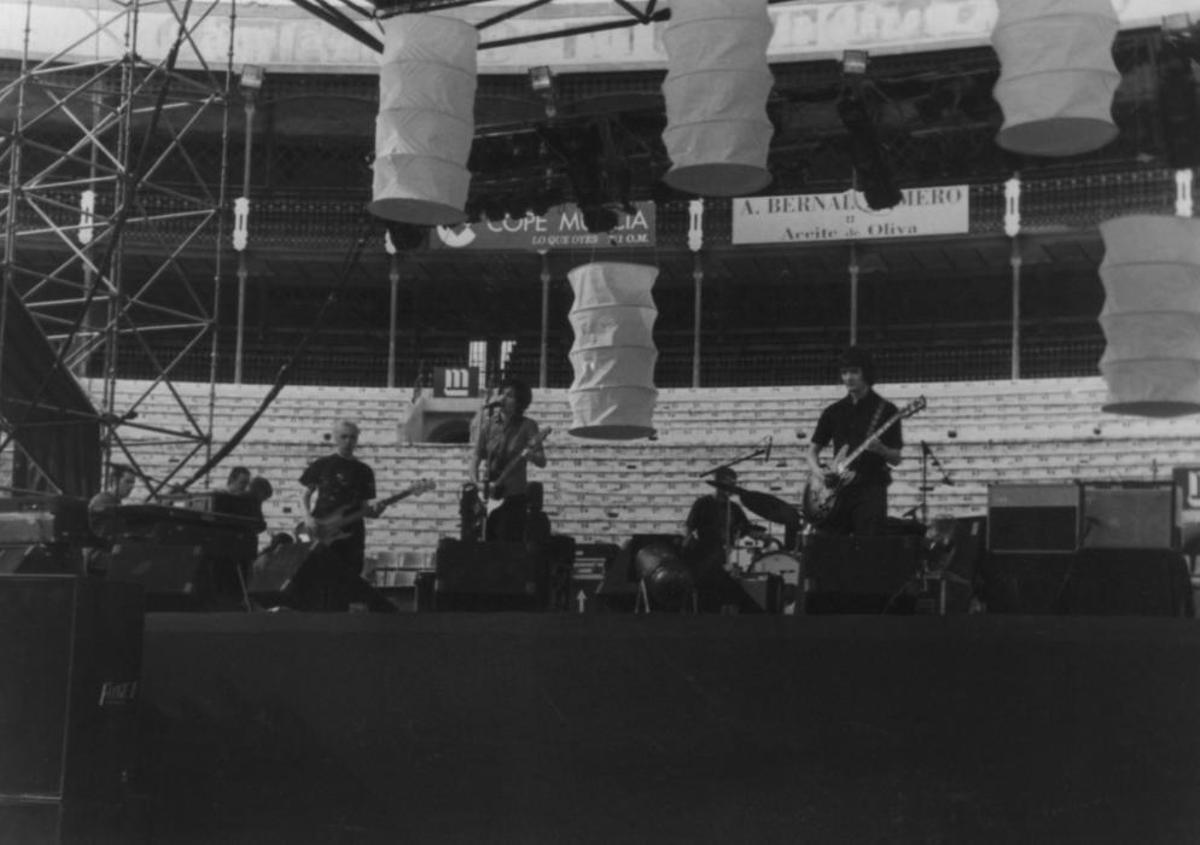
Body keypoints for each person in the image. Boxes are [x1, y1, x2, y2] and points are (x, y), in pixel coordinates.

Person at [806, 346, 904, 535]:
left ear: (865, 373)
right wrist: (818, 473)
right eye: (844, 372)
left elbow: (896, 458)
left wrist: (881, 449)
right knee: (833, 549)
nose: (848, 378)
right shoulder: (833, 411)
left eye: (854, 372)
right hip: (836, 492)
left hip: (870, 489)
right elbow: (811, 452)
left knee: (867, 550)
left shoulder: (887, 410)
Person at [297, 420, 383, 611]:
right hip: (322, 527)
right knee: (320, 576)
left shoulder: (365, 471)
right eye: (344, 436)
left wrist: (376, 512)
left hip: (352, 534)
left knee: (347, 578)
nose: (348, 441)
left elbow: (365, 507)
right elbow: (305, 494)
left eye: (353, 437)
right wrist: (307, 517)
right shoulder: (322, 464)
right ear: (335, 438)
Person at [470, 377, 547, 542]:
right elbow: (476, 456)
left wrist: (530, 455)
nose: (503, 398)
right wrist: (476, 482)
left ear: (520, 402)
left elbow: (542, 461)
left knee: (508, 547)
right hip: (489, 492)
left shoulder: (528, 425)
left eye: (510, 395)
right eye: (502, 394)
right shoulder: (488, 424)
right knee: (485, 546)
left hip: (513, 498)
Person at [683, 466, 764, 613]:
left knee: (728, 592)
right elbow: (689, 528)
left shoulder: (734, 508)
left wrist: (763, 537)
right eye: (728, 483)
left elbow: (747, 529)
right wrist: (688, 547)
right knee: (708, 596)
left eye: (733, 484)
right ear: (718, 483)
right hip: (704, 556)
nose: (731, 488)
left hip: (726, 556)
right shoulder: (703, 503)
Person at [86, 464, 137, 574]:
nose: (131, 486)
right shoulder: (103, 501)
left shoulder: (115, 502)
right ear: (114, 481)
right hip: (98, 556)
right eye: (127, 482)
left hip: (108, 553)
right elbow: (107, 535)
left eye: (133, 483)